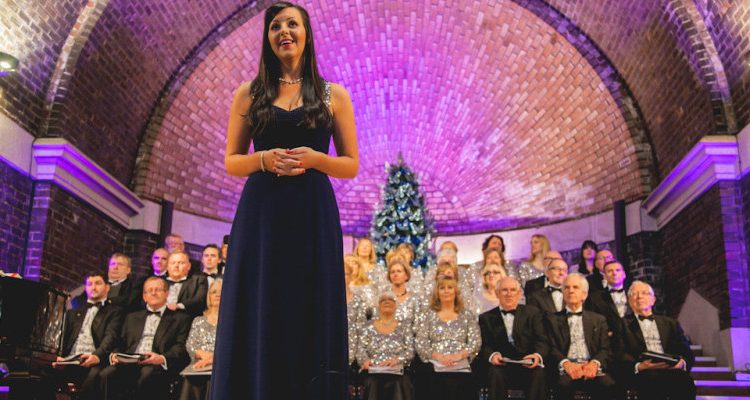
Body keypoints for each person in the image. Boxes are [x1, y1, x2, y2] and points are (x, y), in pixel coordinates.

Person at [211, 2, 359, 399]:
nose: (284, 32)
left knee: (308, 302)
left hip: (312, 213)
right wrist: (262, 159)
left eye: (292, 24)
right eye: (275, 26)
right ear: (268, 38)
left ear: (307, 34)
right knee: (261, 300)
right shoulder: (249, 94)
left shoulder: (333, 95)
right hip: (262, 214)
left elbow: (350, 164)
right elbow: (232, 160)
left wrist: (315, 160)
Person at [100, 277, 191, 400]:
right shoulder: (131, 317)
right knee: (106, 374)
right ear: (144, 296)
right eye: (149, 290)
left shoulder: (181, 318)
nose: (153, 293)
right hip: (130, 362)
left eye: (158, 290)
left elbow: (180, 347)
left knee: (147, 374)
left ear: (167, 293)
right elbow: (120, 342)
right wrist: (114, 355)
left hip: (156, 364)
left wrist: (162, 358)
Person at [41, 271, 123, 400]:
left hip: (95, 360)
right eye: (89, 284)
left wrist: (97, 356)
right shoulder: (73, 312)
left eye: (98, 283)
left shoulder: (114, 311)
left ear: (107, 287)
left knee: (95, 376)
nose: (93, 287)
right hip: (70, 360)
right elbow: (62, 338)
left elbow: (110, 337)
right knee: (42, 371)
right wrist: (58, 357)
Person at [620, 281, 696, 400]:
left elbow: (686, 351)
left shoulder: (670, 323)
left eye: (644, 293)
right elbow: (620, 352)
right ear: (629, 301)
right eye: (634, 294)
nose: (639, 296)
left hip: (670, 370)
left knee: (685, 381)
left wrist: (682, 363)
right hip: (644, 372)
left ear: (653, 300)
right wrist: (639, 366)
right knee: (650, 382)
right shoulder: (621, 324)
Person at [546, 273, 615, 400]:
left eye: (575, 287)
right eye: (567, 287)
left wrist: (594, 364)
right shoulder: (552, 319)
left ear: (584, 294)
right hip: (566, 369)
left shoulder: (598, 319)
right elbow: (551, 348)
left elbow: (605, 349)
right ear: (563, 293)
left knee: (608, 384)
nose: (570, 290)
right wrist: (566, 364)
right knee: (562, 385)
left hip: (591, 367)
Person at [478, 277, 548, 400]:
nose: (509, 294)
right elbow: (484, 345)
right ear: (497, 293)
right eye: (504, 290)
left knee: (538, 373)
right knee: (495, 372)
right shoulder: (486, 317)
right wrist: (493, 355)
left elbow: (542, 341)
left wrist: (536, 356)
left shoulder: (533, 313)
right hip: (501, 365)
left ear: (519, 293)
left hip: (527, 363)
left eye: (513, 290)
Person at [415, 277, 481, 400]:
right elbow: (420, 342)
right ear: (437, 292)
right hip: (435, 362)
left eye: (450, 288)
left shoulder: (467, 315)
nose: (446, 291)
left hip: (461, 361)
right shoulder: (428, 315)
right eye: (442, 288)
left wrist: (459, 356)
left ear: (456, 292)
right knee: (427, 376)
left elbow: (475, 342)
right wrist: (437, 356)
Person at [357, 291, 415, 400]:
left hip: (398, 372)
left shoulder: (404, 326)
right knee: (372, 383)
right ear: (378, 305)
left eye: (390, 299)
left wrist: (397, 360)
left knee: (399, 383)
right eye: (383, 300)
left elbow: (410, 351)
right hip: (374, 372)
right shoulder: (368, 326)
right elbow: (360, 349)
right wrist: (365, 360)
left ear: (396, 305)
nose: (387, 301)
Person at [179, 279, 222, 400]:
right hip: (199, 364)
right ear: (209, 296)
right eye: (214, 292)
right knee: (192, 379)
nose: (217, 294)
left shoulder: (232, 321)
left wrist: (213, 358)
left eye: (221, 292)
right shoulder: (198, 320)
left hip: (221, 364)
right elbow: (190, 345)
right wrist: (205, 357)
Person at [166, 251, 208, 318]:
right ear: (167, 266)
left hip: (186, 318)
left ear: (189, 266)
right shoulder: (159, 282)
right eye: (173, 263)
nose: (176, 266)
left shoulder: (198, 280)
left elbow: (200, 299)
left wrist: (178, 306)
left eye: (181, 263)